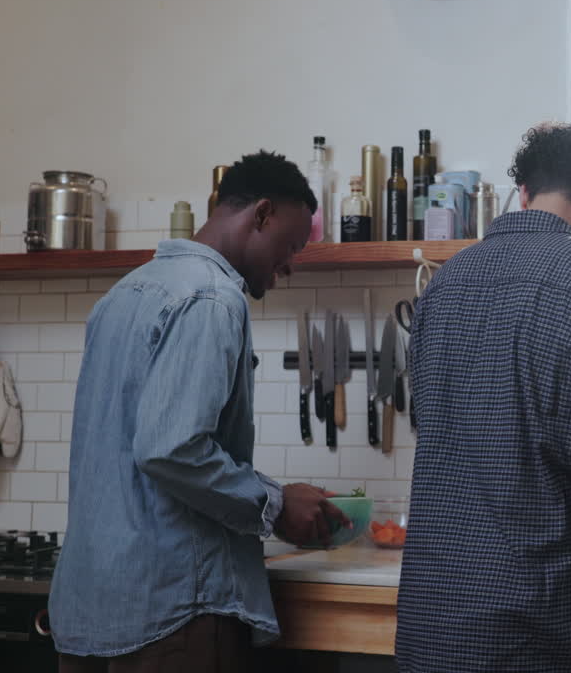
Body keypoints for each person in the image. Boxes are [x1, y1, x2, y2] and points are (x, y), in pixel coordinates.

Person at [50, 150, 350, 672]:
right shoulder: (213, 297)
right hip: (173, 611)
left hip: (90, 608)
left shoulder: (123, 295)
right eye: (291, 245)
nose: (290, 265)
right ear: (260, 215)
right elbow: (172, 449)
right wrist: (276, 505)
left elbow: (139, 446)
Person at [396, 123, 571, 673]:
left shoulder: (442, 290)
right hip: (541, 643)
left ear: (524, 194)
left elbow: (438, 438)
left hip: (431, 635)